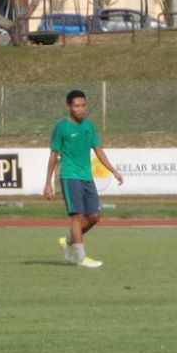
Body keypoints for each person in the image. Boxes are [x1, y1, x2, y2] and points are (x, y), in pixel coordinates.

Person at [44, 89, 123, 268]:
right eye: (77, 106)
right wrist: (48, 183)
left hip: (87, 177)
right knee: (77, 216)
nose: (81, 109)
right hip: (69, 176)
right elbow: (53, 156)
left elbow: (99, 150)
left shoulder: (88, 126)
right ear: (69, 107)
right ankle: (81, 257)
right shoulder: (61, 127)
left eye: (83, 105)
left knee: (95, 217)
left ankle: (69, 241)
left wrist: (114, 171)